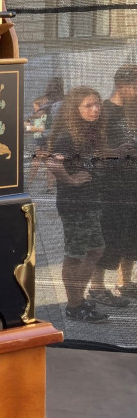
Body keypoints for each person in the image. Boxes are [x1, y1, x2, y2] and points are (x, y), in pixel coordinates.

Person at [46, 87, 109, 323]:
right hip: (75, 205)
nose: (95, 109)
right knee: (75, 256)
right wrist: (71, 180)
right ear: (75, 109)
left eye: (97, 104)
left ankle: (78, 299)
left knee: (95, 250)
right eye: (88, 105)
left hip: (90, 203)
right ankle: (74, 306)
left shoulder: (88, 132)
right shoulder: (67, 136)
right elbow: (53, 163)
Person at [89, 65, 137, 305]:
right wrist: (115, 152)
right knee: (108, 235)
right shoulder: (104, 111)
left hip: (132, 184)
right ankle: (96, 288)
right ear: (121, 86)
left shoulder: (133, 111)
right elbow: (91, 149)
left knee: (131, 235)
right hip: (110, 186)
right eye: (135, 87)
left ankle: (125, 282)